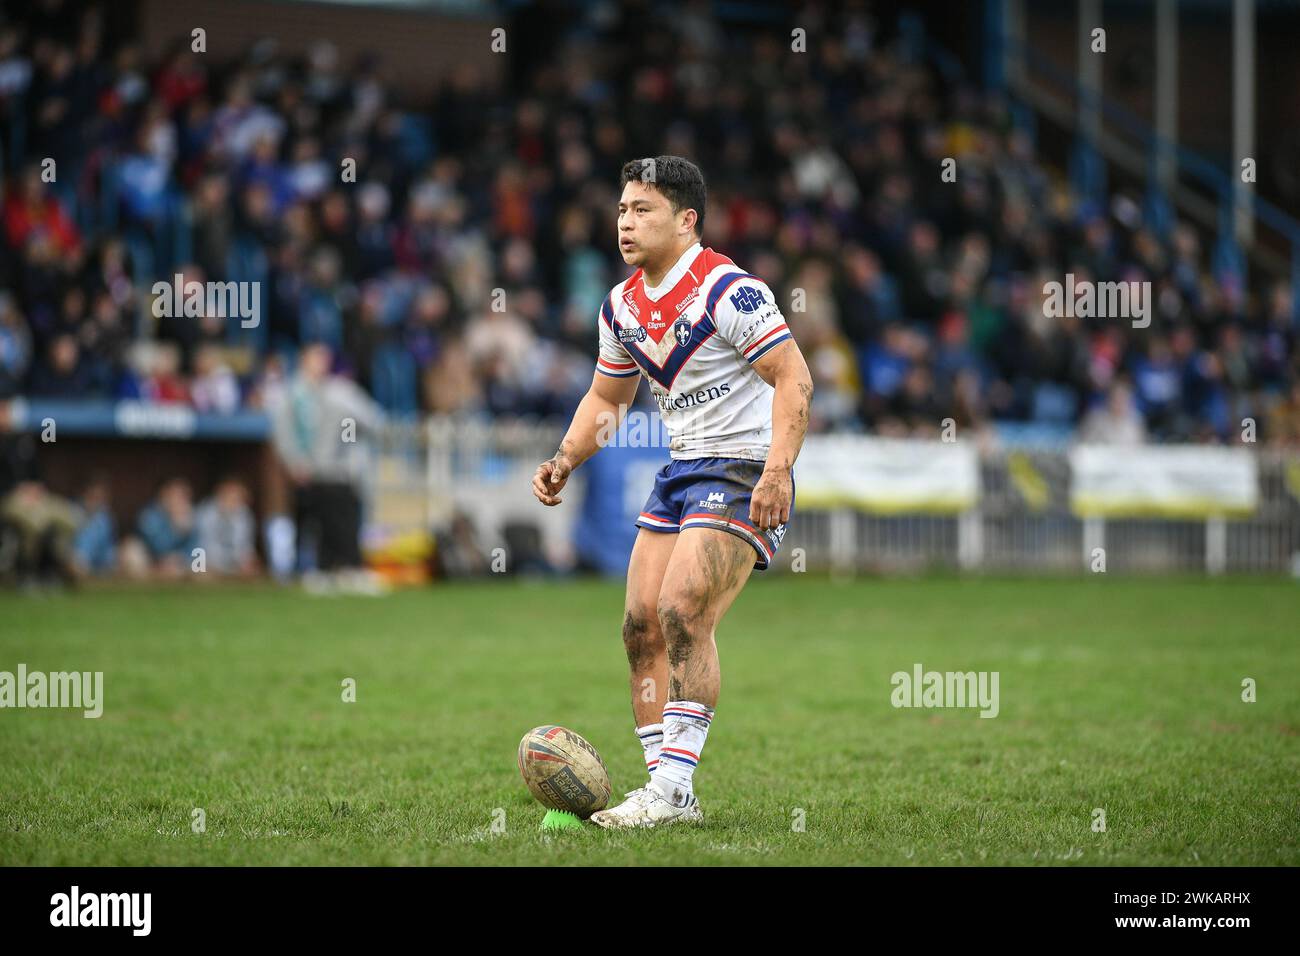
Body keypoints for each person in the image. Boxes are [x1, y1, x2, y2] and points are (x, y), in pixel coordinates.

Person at [531, 156, 814, 828]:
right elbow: (608, 396)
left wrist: (778, 469)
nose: (626, 222)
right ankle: (666, 790)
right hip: (680, 473)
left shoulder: (729, 289)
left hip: (742, 469)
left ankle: (673, 792)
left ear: (687, 220)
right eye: (623, 209)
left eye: (643, 210)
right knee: (638, 629)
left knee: (683, 609)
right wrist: (567, 456)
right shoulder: (620, 306)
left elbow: (794, 377)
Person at [270, 343, 385, 591]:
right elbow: (285, 432)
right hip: (308, 469)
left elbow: (359, 426)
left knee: (342, 516)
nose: (321, 364)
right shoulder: (294, 394)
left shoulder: (335, 393)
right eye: (316, 358)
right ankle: (314, 569)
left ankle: (341, 567)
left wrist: (348, 454)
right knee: (312, 521)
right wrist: (294, 462)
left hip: (333, 470)